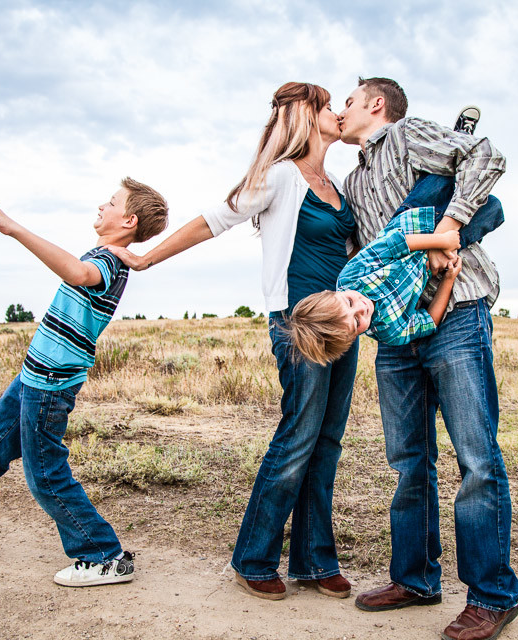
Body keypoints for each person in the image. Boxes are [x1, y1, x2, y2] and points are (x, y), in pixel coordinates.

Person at [106, 82, 358, 601]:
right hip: (297, 322)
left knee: (327, 439)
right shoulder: (281, 177)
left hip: (342, 325)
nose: (337, 114)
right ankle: (254, 557)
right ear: (304, 117)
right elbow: (212, 221)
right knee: (299, 436)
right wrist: (147, 258)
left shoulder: (337, 185)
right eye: (328, 106)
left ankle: (314, 561)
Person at [0, 177, 168, 587]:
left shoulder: (111, 261)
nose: (102, 204)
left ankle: (103, 555)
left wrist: (12, 227)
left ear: (129, 219)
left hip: (50, 382)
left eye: (111, 202)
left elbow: (80, 274)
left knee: (44, 472)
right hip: (33, 374)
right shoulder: (108, 253)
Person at [337, 77, 518, 640]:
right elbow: (369, 251)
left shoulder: (408, 134)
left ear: (375, 104)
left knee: (476, 457)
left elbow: (485, 153)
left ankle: (492, 596)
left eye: (347, 102)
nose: (339, 111)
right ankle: (415, 579)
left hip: (456, 311)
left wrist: (450, 225)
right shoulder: (352, 178)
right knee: (408, 459)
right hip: (396, 331)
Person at [287, 207, 462, 364]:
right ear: (351, 340)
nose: (361, 309)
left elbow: (394, 244)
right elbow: (429, 321)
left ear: (330, 292)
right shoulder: (390, 331)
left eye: (349, 302)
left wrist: (441, 240)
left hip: (414, 219)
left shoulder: (350, 278)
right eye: (356, 322)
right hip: (443, 258)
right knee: (488, 209)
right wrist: (449, 279)